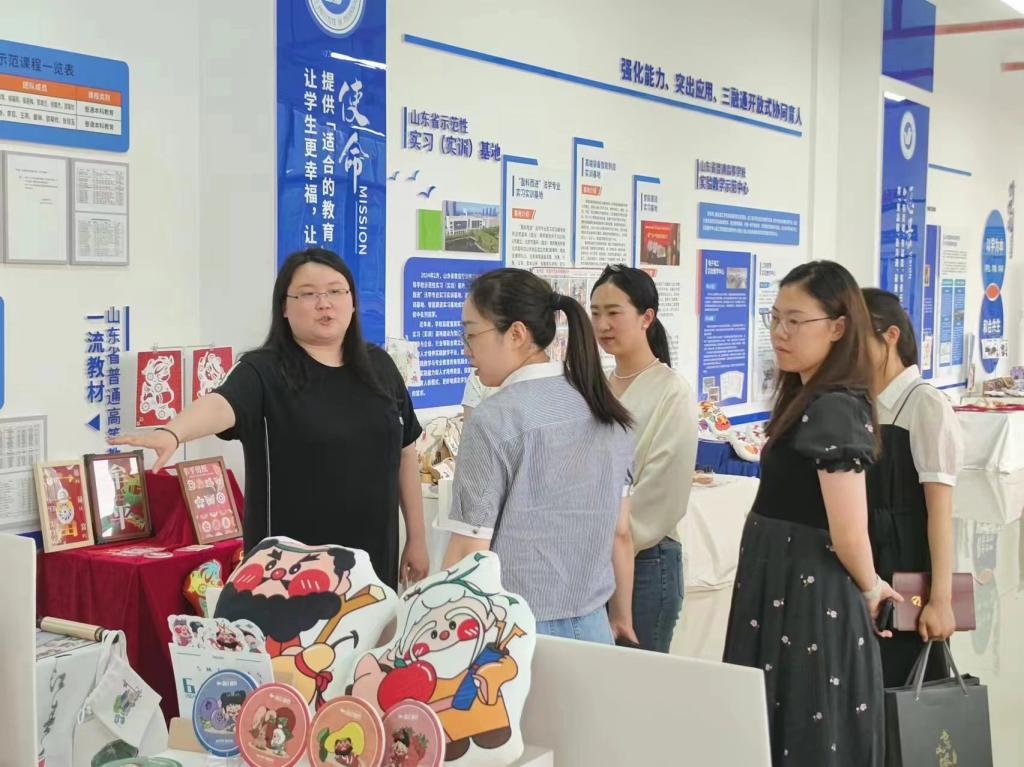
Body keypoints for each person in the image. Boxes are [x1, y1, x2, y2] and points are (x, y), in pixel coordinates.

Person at [111, 247, 428, 589]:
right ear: (284, 307)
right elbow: (221, 404)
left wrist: (417, 538)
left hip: (372, 563)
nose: (325, 303)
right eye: (308, 294)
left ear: (352, 302)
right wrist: (173, 432)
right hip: (287, 570)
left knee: (374, 624)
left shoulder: (379, 366)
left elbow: (405, 452)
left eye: (336, 291)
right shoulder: (263, 370)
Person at [723, 261, 901, 766]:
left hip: (810, 592)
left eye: (796, 320)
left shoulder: (834, 407)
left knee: (808, 723)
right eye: (775, 318)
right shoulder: (807, 396)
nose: (780, 332)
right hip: (782, 583)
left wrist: (872, 587)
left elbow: (849, 532)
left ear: (838, 327)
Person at [442, 268, 637, 645]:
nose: (466, 349)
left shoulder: (494, 419)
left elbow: (469, 551)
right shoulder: (605, 408)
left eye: (471, 334)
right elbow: (621, 532)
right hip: (595, 623)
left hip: (515, 633)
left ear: (516, 334)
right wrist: (622, 616)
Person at [590, 264, 697, 652]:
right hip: (596, 559)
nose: (603, 324)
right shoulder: (597, 387)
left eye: (614, 312)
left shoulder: (672, 390)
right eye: (595, 312)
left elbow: (662, 490)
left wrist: (610, 541)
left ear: (646, 317)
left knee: (639, 680)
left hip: (647, 562)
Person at [862, 288, 962, 687]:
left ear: (890, 336)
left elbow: (940, 513)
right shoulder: (862, 402)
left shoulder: (925, 404)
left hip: (906, 568)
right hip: (866, 564)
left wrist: (941, 600)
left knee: (904, 687)